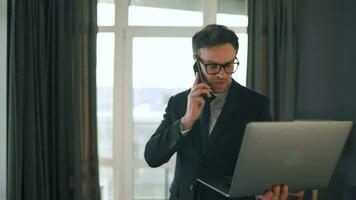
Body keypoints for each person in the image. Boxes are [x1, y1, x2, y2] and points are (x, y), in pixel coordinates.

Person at [144, 24, 293, 200]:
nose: (222, 74)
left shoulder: (255, 104)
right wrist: (186, 120)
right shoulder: (178, 103)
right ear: (196, 63)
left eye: (229, 65)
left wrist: (266, 191)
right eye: (212, 66)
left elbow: (268, 162)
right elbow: (152, 157)